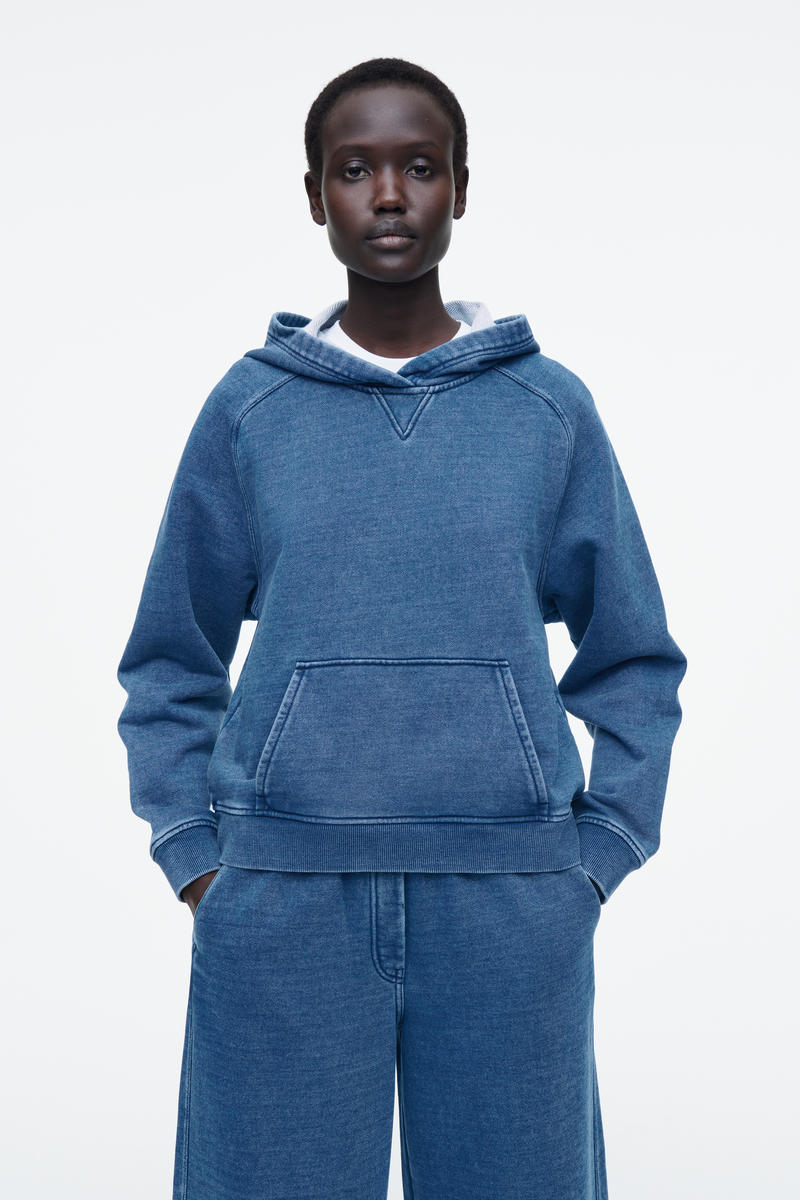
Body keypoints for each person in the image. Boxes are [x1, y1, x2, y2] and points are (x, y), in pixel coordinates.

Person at [116, 55, 688, 1200]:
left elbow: (632, 659)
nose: (387, 195)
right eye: (355, 169)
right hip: (278, 898)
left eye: (419, 168)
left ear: (461, 188)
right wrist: (197, 861)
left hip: (510, 903)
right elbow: (170, 660)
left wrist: (594, 858)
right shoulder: (250, 411)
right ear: (314, 194)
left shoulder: (546, 411)